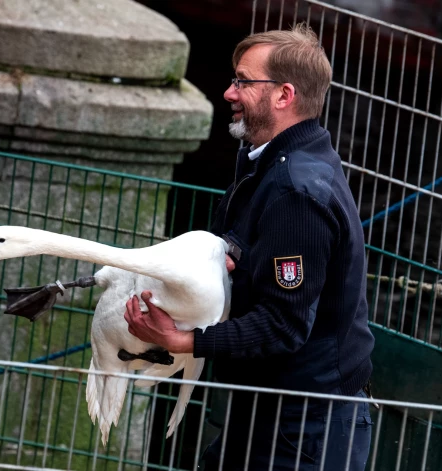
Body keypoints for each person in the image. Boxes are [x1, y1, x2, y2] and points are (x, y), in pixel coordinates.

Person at [124, 23, 375, 470]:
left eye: (243, 81)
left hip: (304, 425)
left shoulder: (297, 191)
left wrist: (185, 340)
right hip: (265, 407)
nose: (228, 92)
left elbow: (284, 324)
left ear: (284, 95)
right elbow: (233, 252)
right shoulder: (262, 160)